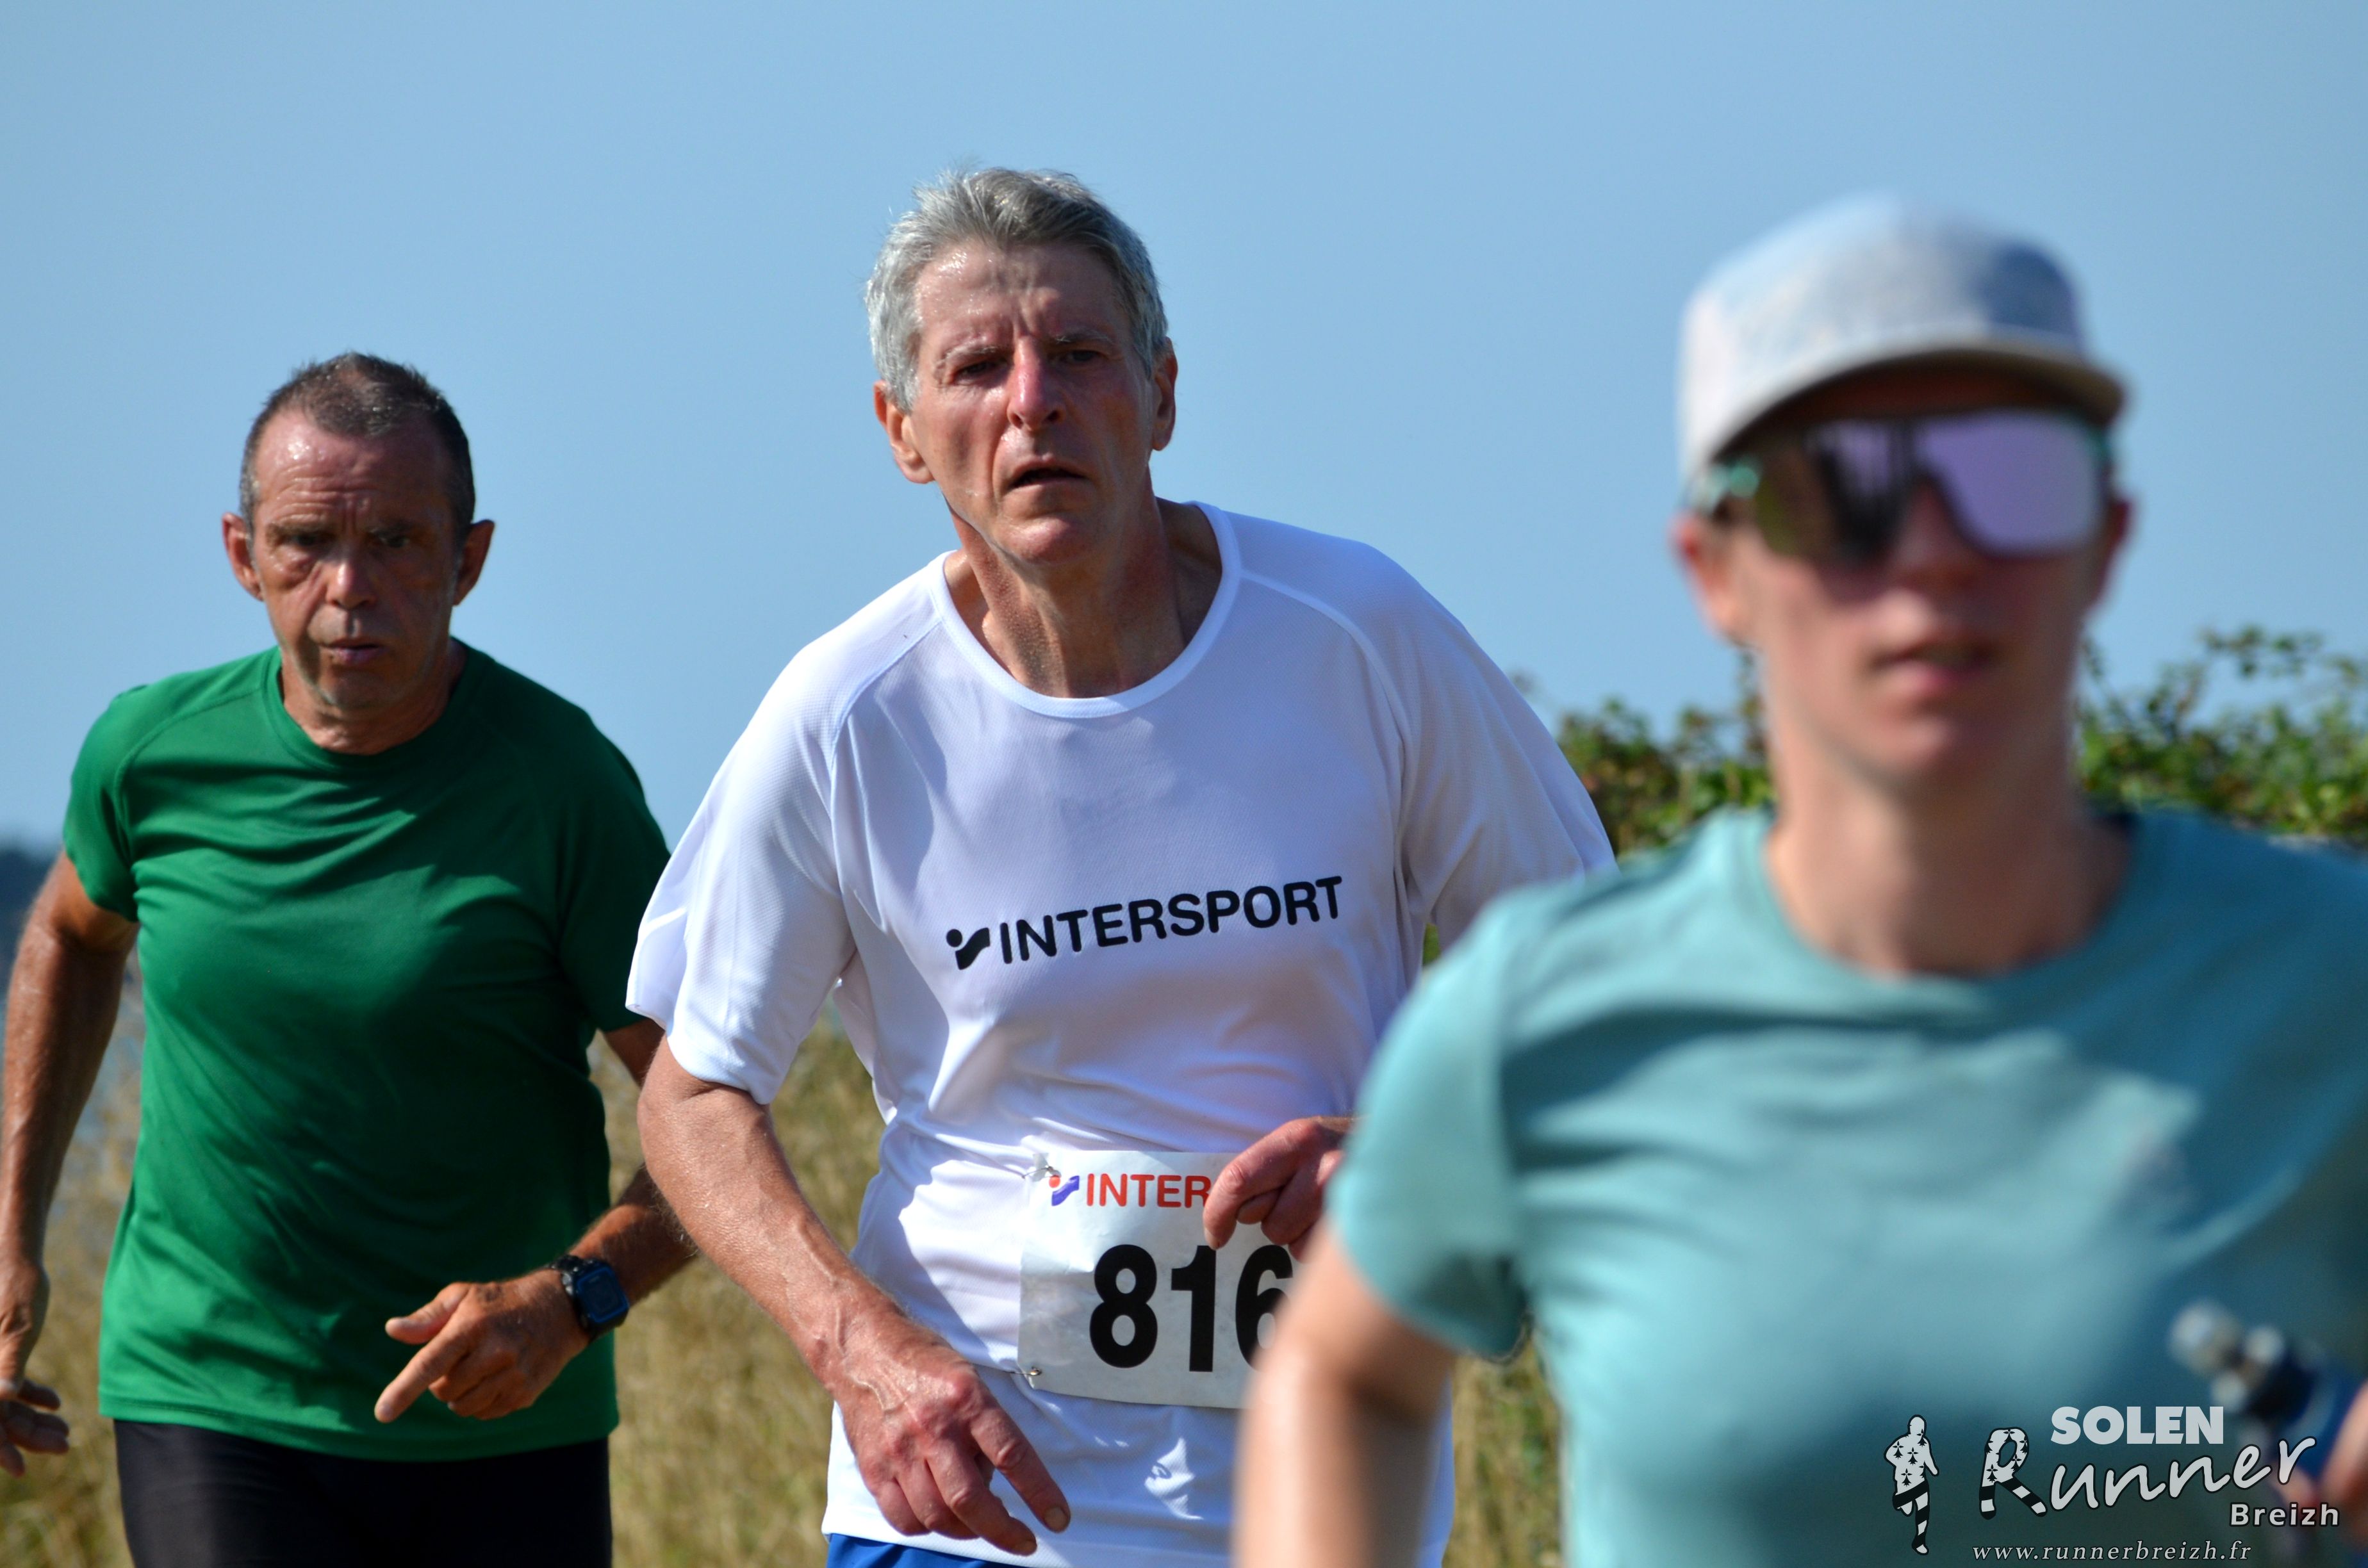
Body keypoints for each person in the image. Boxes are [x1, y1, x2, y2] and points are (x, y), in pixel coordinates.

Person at [1240, 197, 2368, 1565]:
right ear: (1715, 570)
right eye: (1837, 492)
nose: (1936, 552)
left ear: (2110, 536)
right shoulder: (1543, 1018)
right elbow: (1343, 1372)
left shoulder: (2332, 977)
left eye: (2015, 474)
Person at [627, 167, 1613, 1568]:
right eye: (977, 367)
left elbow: (1588, 982)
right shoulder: (848, 713)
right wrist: (860, 1352)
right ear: (902, 431)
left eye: (1080, 354)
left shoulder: (1358, 634)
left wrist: (1413, 1151)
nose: (1033, 402)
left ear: (1160, 395)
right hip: (972, 1515)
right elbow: (695, 1090)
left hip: (1321, 1496)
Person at [0, 354, 693, 1565]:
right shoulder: (151, 755)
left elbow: (716, 1111)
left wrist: (572, 1301)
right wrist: (12, 1241)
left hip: (502, 1420)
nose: (348, 588)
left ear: (469, 560)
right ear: (243, 554)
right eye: (306, 542)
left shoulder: (564, 789)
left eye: (396, 543)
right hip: (213, 1397)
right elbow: (69, 934)